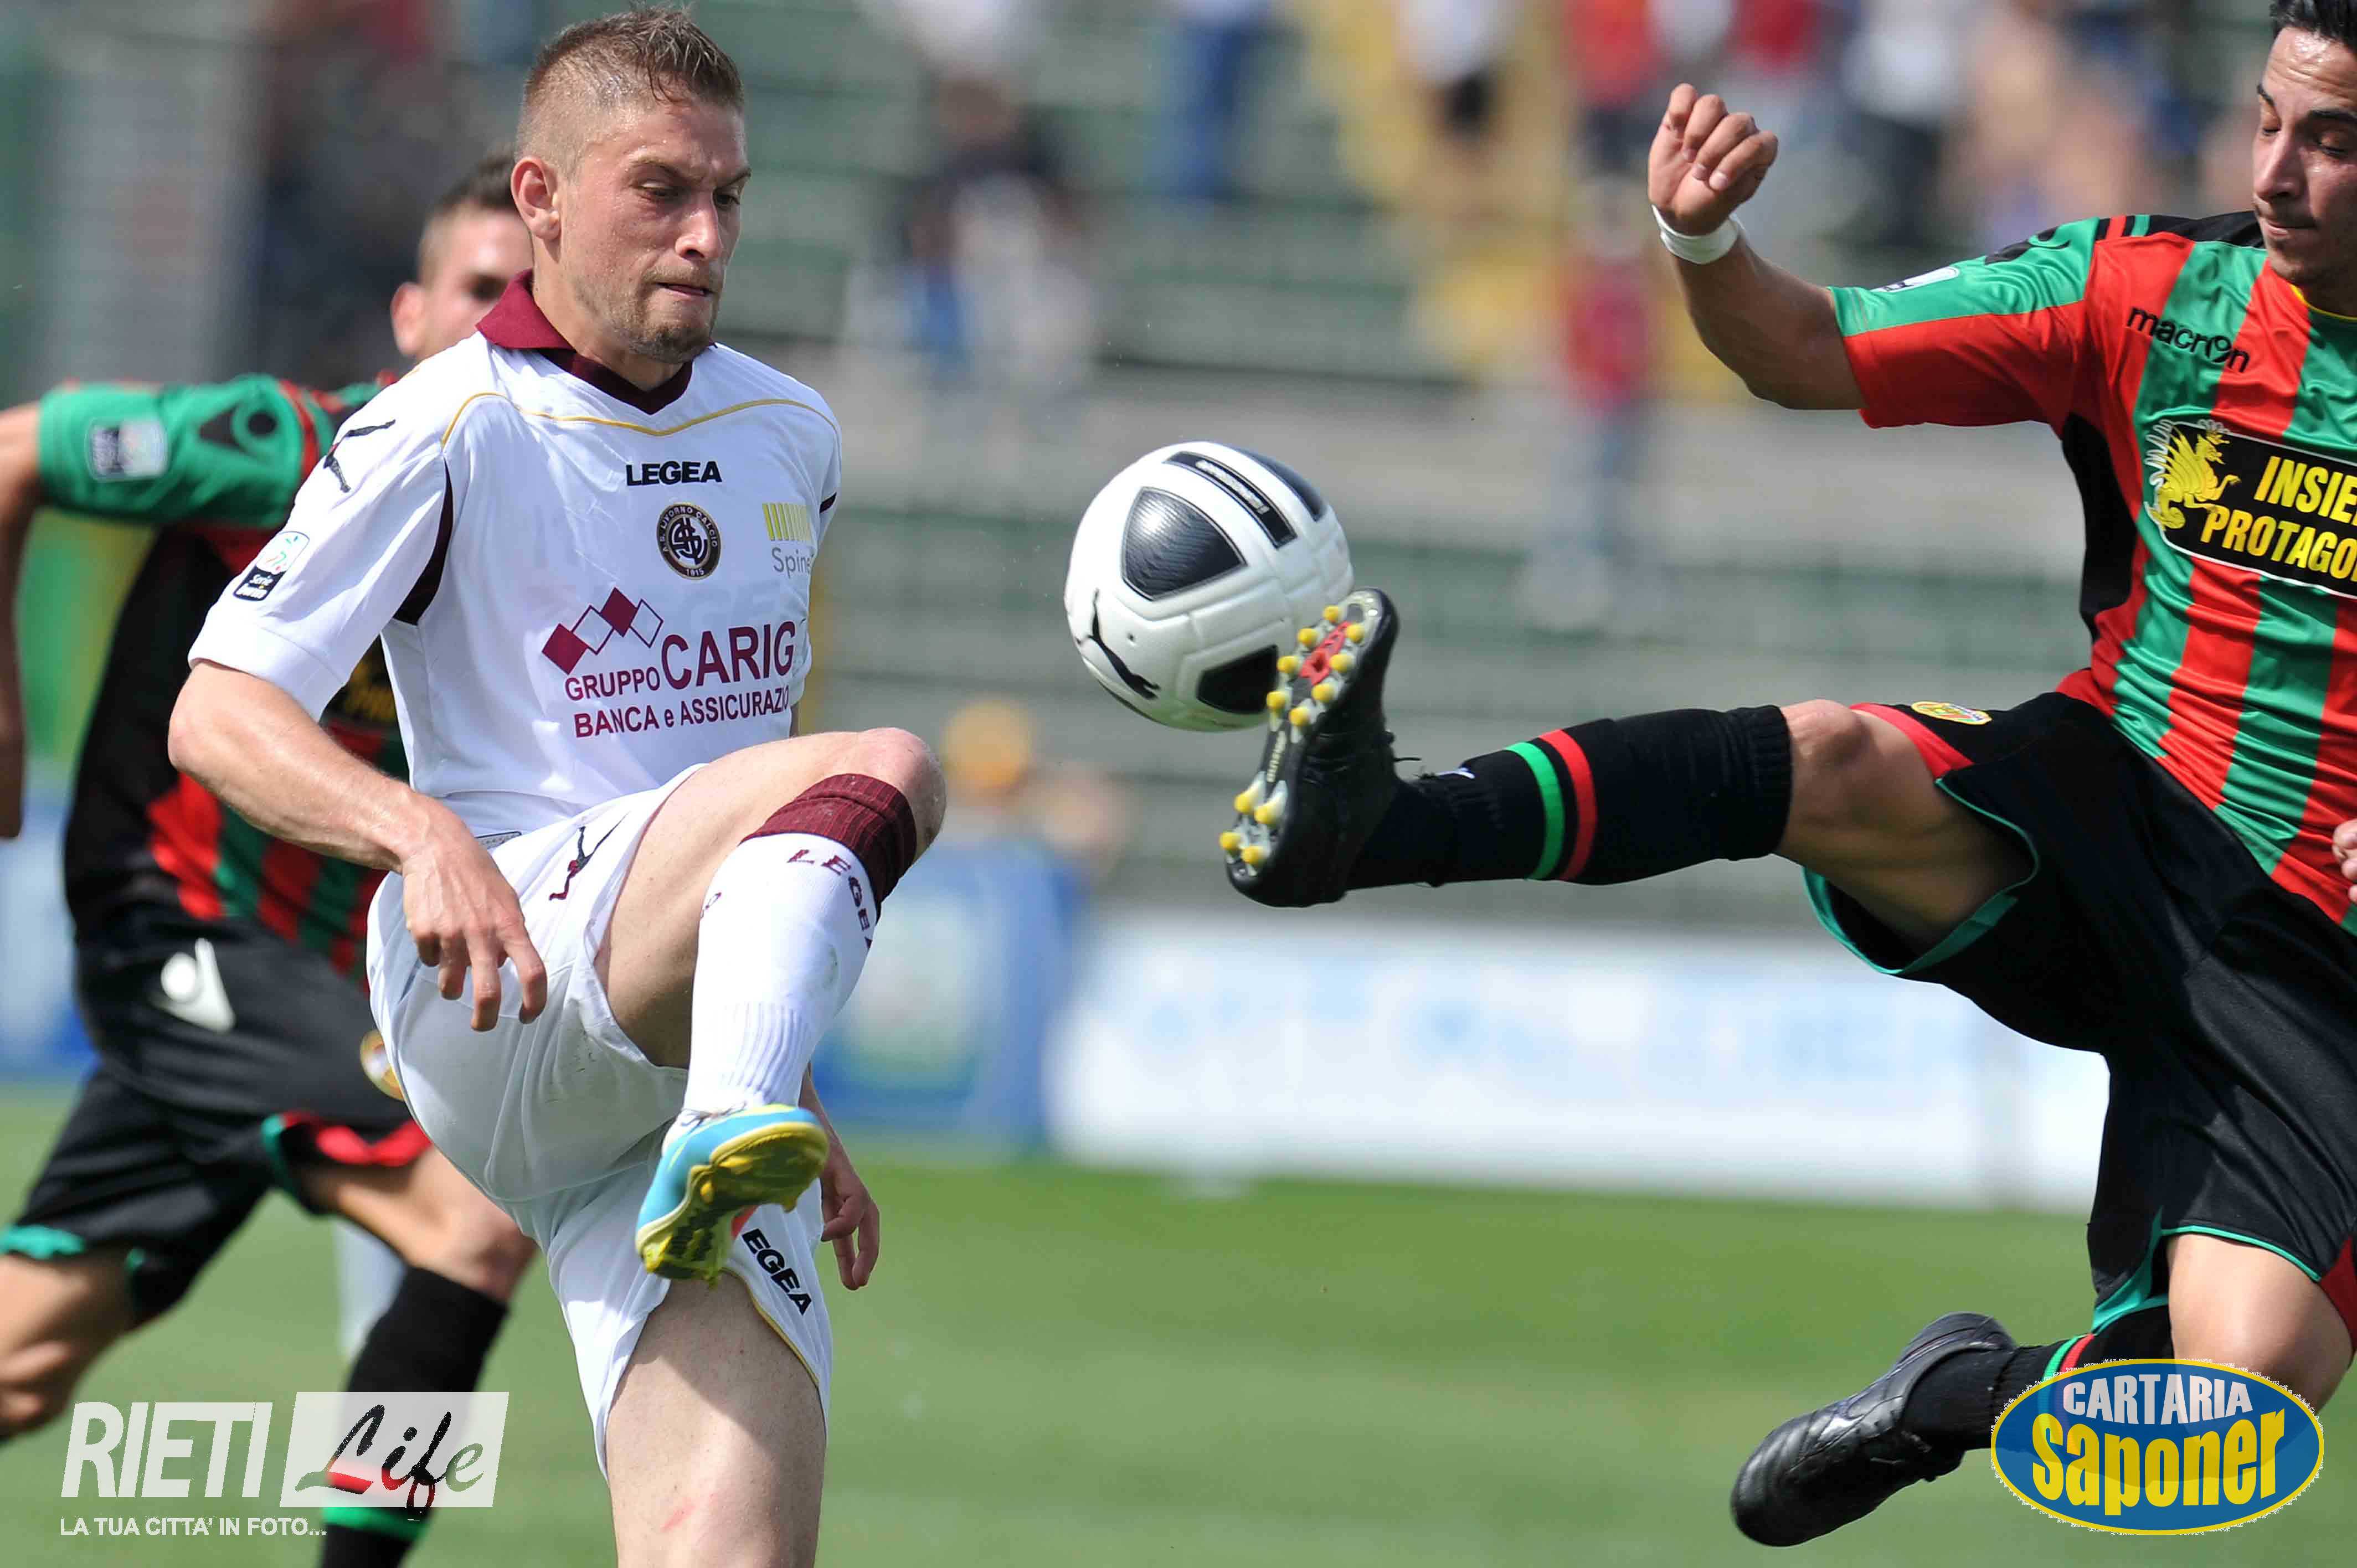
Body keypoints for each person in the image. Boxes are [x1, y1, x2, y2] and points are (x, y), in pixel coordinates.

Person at [1219, 0, 2357, 1546]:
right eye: (2270, 122)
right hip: (2119, 805)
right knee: (1834, 759)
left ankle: (1955, 1394)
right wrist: (1702, 244)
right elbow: (1806, 348)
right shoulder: (2148, 290)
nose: (2276, 170)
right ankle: (1370, 824)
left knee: (2235, 1413)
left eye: (2332, 140)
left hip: (2313, 959)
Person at [170, 13, 941, 1565]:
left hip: (654, 1066)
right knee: (890, 768)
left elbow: (739, 806)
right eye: (662, 189)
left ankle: (729, 1120)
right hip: (499, 970)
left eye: (728, 195)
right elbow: (217, 707)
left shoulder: (789, 433)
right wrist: (417, 831)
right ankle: (727, 1123)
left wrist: (772, 1056)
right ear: (540, 197)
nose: (706, 234)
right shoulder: (443, 419)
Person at [0, 154, 547, 1568]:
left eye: (534, 299)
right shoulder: (285, 448)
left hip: (313, 988)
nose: (506, 323)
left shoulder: (541, 533)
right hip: (177, 932)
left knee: (22, 1364)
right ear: (412, 317)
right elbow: (12, 450)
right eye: (481, 290)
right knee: (474, 1225)